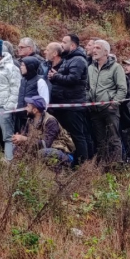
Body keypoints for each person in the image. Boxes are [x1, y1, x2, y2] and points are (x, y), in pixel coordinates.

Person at [47, 35, 91, 164]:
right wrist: (53, 76)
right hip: (62, 104)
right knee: (64, 135)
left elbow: (73, 79)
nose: (61, 45)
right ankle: (67, 162)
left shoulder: (78, 60)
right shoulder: (67, 59)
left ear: (72, 45)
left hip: (73, 105)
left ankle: (83, 165)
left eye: (64, 42)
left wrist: (56, 76)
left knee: (78, 135)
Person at [86, 39, 127, 165]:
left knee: (114, 139)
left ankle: (116, 166)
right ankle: (103, 166)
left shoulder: (116, 67)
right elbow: (87, 87)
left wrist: (113, 104)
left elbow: (122, 89)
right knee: (100, 140)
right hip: (95, 110)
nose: (94, 50)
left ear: (106, 52)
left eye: (98, 48)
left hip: (110, 110)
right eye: (94, 48)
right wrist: (88, 100)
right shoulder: (90, 68)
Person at [11, 96, 74, 167]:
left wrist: (24, 139)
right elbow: (25, 137)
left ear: (35, 110)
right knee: (17, 149)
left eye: (28, 106)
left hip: (61, 152)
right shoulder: (30, 120)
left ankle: (59, 174)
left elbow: (46, 144)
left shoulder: (50, 121)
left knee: (43, 153)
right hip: (41, 150)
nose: (26, 108)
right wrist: (18, 140)